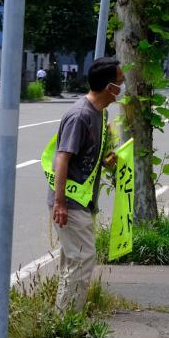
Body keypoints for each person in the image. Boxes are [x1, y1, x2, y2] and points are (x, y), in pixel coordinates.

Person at [44, 57, 122, 312]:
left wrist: (106, 161)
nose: (122, 87)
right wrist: (59, 202)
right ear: (109, 87)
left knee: (74, 260)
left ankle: (63, 321)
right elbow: (62, 158)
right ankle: (66, 322)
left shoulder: (100, 112)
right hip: (70, 202)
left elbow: (85, 157)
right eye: (120, 83)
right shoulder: (80, 115)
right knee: (83, 257)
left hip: (83, 201)